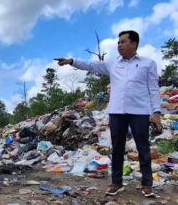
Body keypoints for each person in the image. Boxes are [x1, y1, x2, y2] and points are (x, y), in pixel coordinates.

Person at [55, 30, 162, 197]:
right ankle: (116, 182)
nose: (119, 45)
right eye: (118, 42)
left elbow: (154, 89)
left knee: (143, 148)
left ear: (133, 43)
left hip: (140, 112)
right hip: (117, 112)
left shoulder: (148, 63)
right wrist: (72, 61)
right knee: (117, 148)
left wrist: (156, 111)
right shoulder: (113, 64)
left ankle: (147, 184)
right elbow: (91, 65)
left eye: (123, 42)